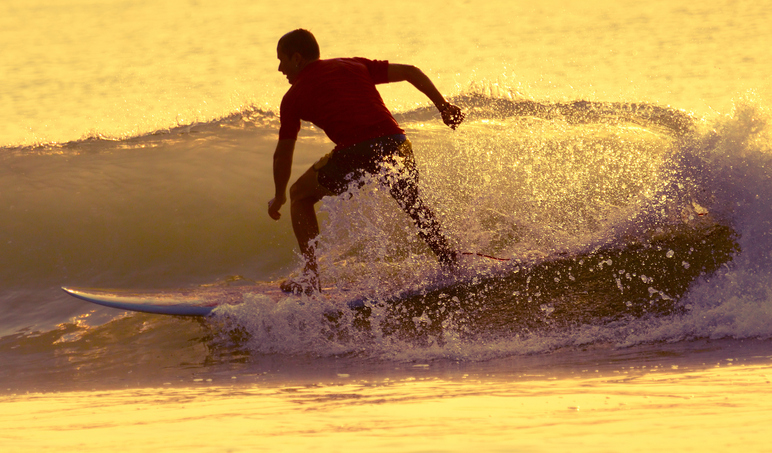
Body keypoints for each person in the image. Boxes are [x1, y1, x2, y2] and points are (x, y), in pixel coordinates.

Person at [268, 29, 465, 294]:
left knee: (299, 195)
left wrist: (279, 196)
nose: (280, 69)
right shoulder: (353, 64)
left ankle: (311, 277)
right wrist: (443, 107)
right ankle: (447, 257)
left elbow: (283, 154)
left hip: (357, 151)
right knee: (410, 201)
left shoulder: (292, 98)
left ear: (297, 58)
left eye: (281, 60)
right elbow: (411, 72)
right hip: (396, 143)